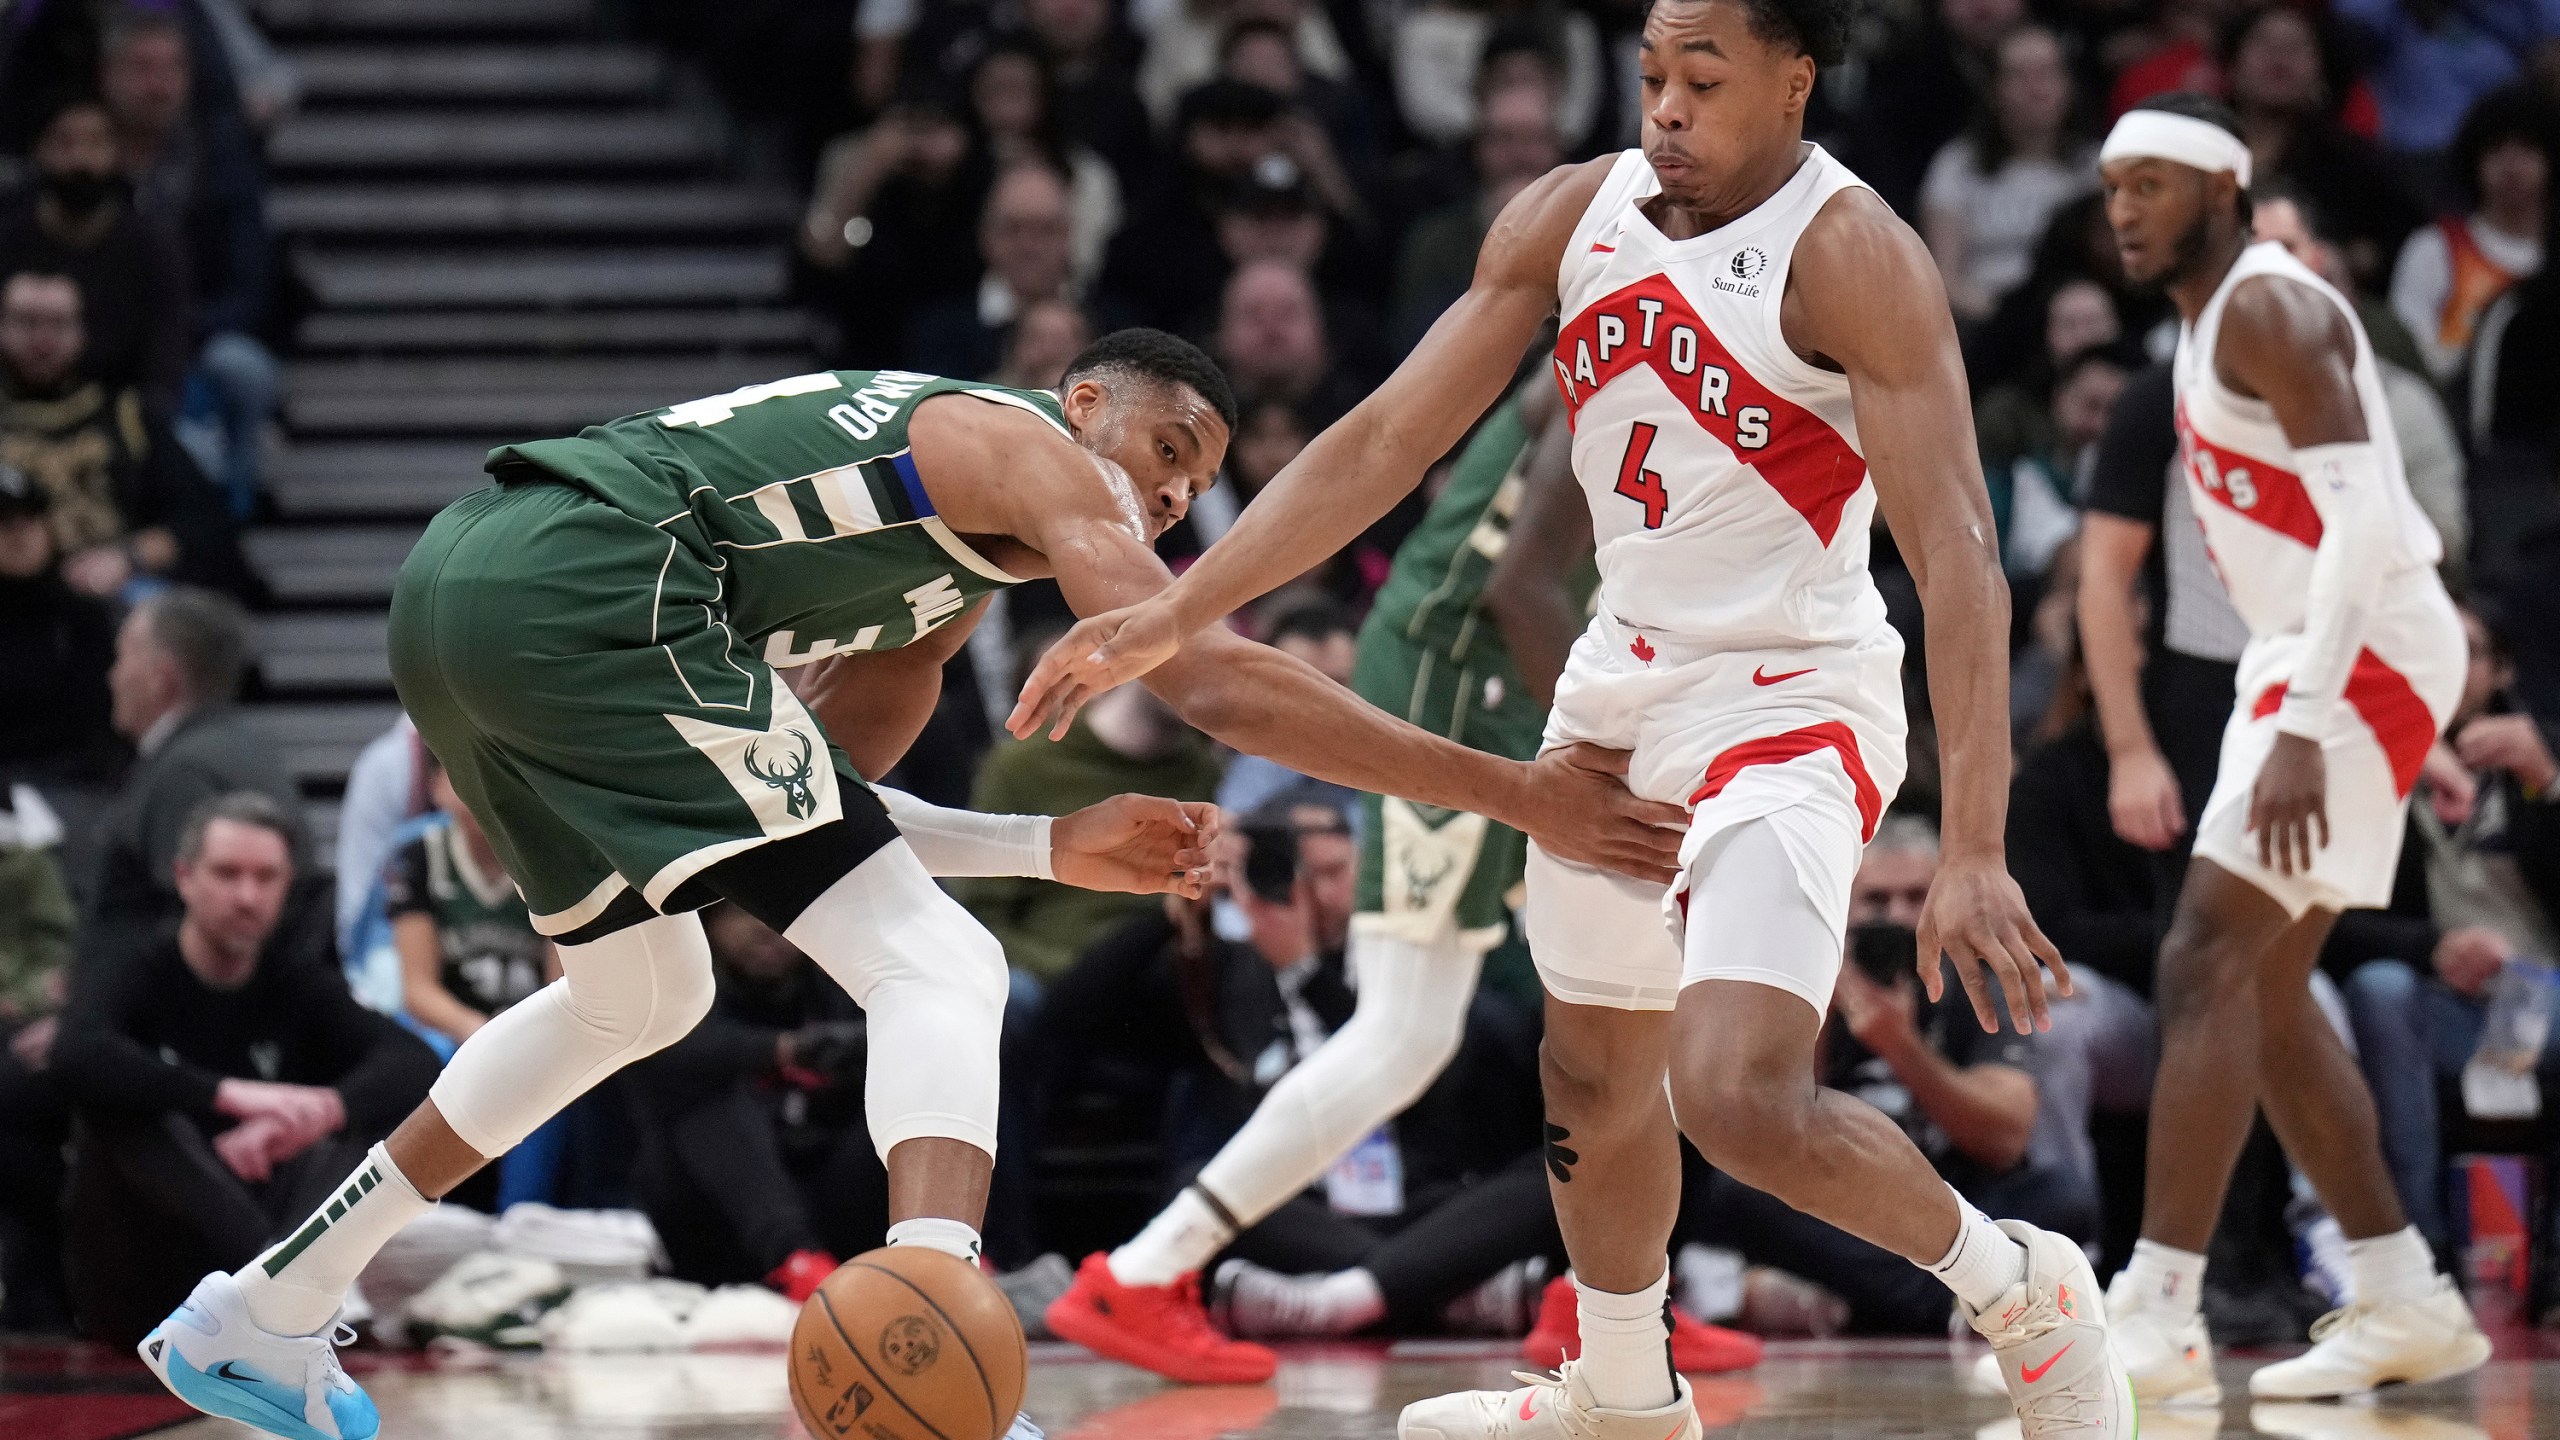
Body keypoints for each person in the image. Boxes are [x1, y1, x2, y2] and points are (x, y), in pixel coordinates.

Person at [140, 331, 1680, 1440]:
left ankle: (265, 1310)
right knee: (939, 969)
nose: (1161, 506)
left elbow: (822, 818)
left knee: (641, 990)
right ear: (1085, 405)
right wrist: (1516, 790)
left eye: (1192, 488)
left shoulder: (935, 602)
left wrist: (1045, 848)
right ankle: (937, 1309)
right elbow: (1203, 673)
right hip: (599, 582)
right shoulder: (1023, 446)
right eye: (1160, 456)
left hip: (464, 597)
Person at [1009, 0, 2131, 1429]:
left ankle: (2020, 1285)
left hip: (1789, 695)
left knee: (1736, 1094)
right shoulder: (1566, 214)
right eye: (1654, 74)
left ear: (1794, 81)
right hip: (1622, 681)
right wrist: (1178, 605)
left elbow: (1959, 554)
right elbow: (1384, 440)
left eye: (1703, 80)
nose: (1664, 106)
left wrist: (1975, 843)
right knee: (1591, 1069)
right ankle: (1620, 1387)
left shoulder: (1855, 255)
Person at [2092, 94, 2489, 1405]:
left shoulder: (2271, 303)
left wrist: (2322, 724)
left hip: (2352, 644)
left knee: (2204, 951)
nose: (2126, 211)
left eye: (2152, 184)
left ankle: (2160, 1310)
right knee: (2257, 986)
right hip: (2332, 650)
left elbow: (2372, 527)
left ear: (2225, 188)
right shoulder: (2210, 324)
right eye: (2113, 190)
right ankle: (2401, 1295)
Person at [52, 793, 439, 1347]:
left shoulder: (295, 980)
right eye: (227, 874)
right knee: (125, 1112)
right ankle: (278, 1278)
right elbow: (74, 1055)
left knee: (352, 1115)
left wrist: (318, 1112)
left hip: (262, 1230)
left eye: (266, 878)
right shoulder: (134, 967)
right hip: (147, 1281)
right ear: (184, 877)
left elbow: (413, 1060)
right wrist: (228, 1096)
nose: (246, 896)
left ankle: (278, 1278)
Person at [98, 8, 276, 516]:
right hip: (111, 352)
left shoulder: (220, 158)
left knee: (244, 369)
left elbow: (250, 283)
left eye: (170, 68)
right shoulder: (86, 164)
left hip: (202, 345)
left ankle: (232, 514)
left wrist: (179, 339)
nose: (157, 85)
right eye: (143, 68)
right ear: (109, 75)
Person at [0, 272, 249, 601]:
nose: (43, 341)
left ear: (82, 330)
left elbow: (206, 520)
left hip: (110, 594)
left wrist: (128, 558)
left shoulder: (127, 415)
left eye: (58, 324)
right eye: (28, 323)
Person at [88, 587, 307, 959]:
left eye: (123, 657)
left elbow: (188, 928)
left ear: (162, 677)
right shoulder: (246, 749)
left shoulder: (184, 771)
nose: (112, 675)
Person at [0, 97, 192, 417]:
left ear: (117, 152)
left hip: (123, 414)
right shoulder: (8, 238)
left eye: (95, 143)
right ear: (39, 149)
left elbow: (165, 352)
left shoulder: (152, 247)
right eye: (65, 143)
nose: (81, 160)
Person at [1919, 24, 2097, 325]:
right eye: (2019, 76)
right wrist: (2012, 321)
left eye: (2048, 73)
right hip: (1983, 321)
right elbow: (1942, 279)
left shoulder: (2097, 167)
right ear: (1993, 90)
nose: (2037, 89)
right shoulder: (1957, 167)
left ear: (2069, 85)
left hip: (2077, 319)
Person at [387, 757, 553, 1047]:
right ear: (436, 787)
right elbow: (417, 989)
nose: (482, 791)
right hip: (453, 1033)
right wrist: (477, 1031)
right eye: (466, 774)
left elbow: (564, 985)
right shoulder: (421, 855)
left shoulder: (552, 858)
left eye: (497, 774)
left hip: (537, 1029)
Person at [2388, 87, 2550, 385]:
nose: (2511, 165)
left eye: (2527, 148)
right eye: (2495, 148)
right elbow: (2408, 357)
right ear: (2474, 160)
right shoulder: (2435, 248)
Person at [0, 460, 116, 786]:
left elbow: (105, 722)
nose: (18, 535)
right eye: (4, 523)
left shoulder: (81, 616)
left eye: (29, 520)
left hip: (74, 787)